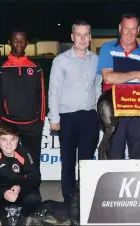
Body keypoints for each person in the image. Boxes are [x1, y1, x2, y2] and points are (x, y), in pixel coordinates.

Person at [48, 20, 100, 218]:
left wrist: (96, 111)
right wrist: (54, 118)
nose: (82, 39)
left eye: (86, 34)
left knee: (86, 163)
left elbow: (97, 86)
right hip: (67, 118)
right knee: (68, 162)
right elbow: (54, 91)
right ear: (72, 37)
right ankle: (69, 202)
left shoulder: (95, 60)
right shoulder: (60, 60)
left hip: (89, 117)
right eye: (78, 34)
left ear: (90, 37)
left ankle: (85, 199)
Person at [96, 13, 140, 159]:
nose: (129, 33)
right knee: (113, 156)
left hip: (139, 112)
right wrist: (137, 74)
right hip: (114, 111)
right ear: (120, 28)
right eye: (126, 28)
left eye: (133, 29)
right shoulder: (107, 48)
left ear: (138, 30)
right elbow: (109, 77)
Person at [0, 28, 46, 171]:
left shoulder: (36, 68)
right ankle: (10, 191)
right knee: (10, 163)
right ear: (10, 42)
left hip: (32, 124)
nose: (19, 43)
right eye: (16, 40)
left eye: (22, 40)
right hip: (9, 124)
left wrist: (40, 120)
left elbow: (41, 96)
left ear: (27, 43)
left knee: (32, 161)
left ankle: (32, 191)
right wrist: (0, 122)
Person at [0, 123, 42, 224]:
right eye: (4, 140)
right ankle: (4, 215)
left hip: (19, 192)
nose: (9, 144)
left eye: (12, 139)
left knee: (35, 199)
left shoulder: (24, 152)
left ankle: (21, 214)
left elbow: (35, 177)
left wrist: (20, 187)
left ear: (17, 140)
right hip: (2, 193)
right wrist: (3, 193)